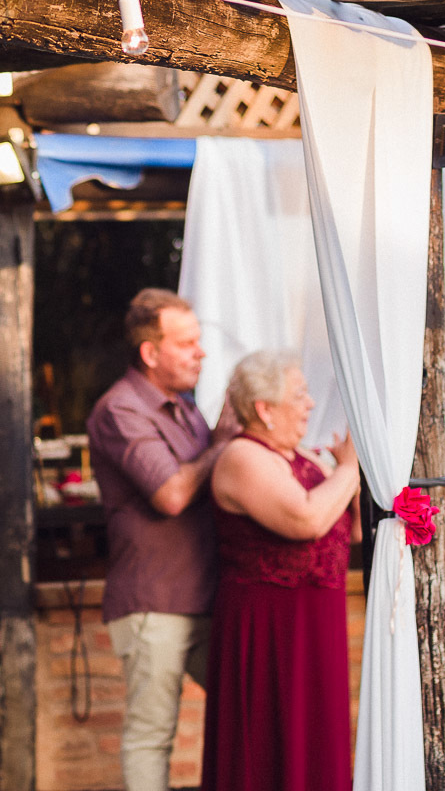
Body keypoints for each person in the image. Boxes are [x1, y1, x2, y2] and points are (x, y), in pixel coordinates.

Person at [86, 288, 236, 791]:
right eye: (187, 343)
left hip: (203, 596)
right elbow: (171, 494)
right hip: (154, 604)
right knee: (152, 736)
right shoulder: (120, 409)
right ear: (151, 353)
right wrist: (222, 444)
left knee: (247, 706)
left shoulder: (185, 406)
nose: (202, 352)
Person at [201, 350, 360, 791]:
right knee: (269, 741)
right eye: (300, 394)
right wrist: (349, 467)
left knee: (317, 735)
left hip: (317, 621)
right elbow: (306, 520)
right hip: (269, 624)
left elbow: (352, 527)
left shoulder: (306, 459)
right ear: (264, 410)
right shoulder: (243, 457)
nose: (310, 404)